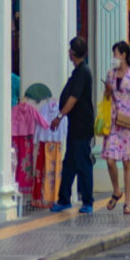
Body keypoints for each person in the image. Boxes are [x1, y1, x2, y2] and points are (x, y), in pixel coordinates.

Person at [49, 36, 96, 214]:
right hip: (75, 126)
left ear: (73, 53)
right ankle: (64, 199)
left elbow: (73, 98)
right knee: (69, 163)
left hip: (82, 126)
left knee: (83, 164)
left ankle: (88, 201)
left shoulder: (83, 72)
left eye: (70, 49)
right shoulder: (78, 72)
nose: (68, 52)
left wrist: (60, 116)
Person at [101, 41, 130, 215]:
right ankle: (116, 190)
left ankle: (127, 202)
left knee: (128, 163)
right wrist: (107, 90)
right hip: (114, 121)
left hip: (129, 121)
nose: (114, 57)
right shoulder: (111, 74)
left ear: (123, 54)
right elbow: (107, 97)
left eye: (116, 54)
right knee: (110, 159)